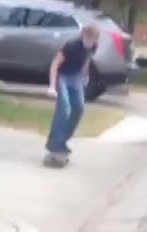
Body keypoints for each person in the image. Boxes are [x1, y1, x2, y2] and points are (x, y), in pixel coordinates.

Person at [45, 25, 100, 165]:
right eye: (88, 39)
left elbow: (87, 60)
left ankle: (62, 141)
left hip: (75, 78)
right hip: (62, 77)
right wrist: (52, 86)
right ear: (83, 36)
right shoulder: (71, 46)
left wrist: (85, 74)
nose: (90, 42)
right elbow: (55, 64)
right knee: (64, 108)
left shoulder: (93, 46)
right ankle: (54, 144)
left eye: (93, 40)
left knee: (79, 108)